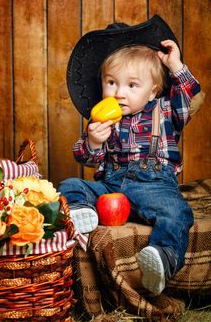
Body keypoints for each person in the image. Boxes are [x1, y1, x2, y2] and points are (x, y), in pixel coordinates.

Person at [58, 15, 202, 294]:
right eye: (111, 82)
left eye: (132, 85)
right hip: (113, 189)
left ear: (153, 91)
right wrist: (94, 141)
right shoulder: (103, 120)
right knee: (70, 185)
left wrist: (176, 66)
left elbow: (189, 94)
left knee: (178, 211)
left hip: (155, 188)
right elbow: (86, 158)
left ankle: (163, 258)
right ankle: (81, 212)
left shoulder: (166, 110)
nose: (119, 93)